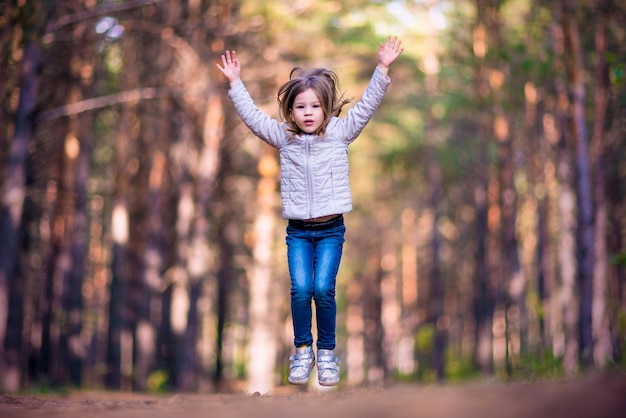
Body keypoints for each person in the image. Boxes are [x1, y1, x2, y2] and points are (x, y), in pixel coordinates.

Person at [216, 36, 404, 386]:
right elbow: (253, 118)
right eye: (301, 107)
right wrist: (235, 83)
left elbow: (366, 106)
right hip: (299, 231)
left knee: (322, 289)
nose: (307, 113)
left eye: (315, 107)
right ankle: (303, 351)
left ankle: (328, 354)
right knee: (301, 289)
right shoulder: (282, 137)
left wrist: (382, 68)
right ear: (291, 111)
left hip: (331, 230)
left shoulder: (340, 133)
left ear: (327, 108)